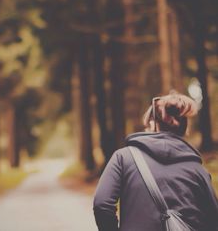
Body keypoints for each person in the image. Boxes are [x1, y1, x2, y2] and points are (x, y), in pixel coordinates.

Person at [93, 93, 218, 231]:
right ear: (185, 128)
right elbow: (213, 220)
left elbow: (102, 205)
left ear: (153, 125)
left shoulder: (124, 157)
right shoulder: (198, 170)